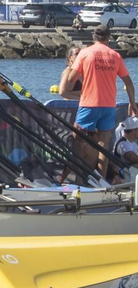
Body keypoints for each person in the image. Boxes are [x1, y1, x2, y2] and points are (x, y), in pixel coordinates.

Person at [59, 23, 137, 181]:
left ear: (94, 37)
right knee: (103, 144)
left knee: (77, 139)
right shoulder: (115, 56)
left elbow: (71, 80)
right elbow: (128, 82)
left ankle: (80, 179)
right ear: (108, 37)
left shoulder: (85, 53)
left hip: (89, 104)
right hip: (109, 105)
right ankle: (101, 182)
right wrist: (132, 103)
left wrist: (71, 91)